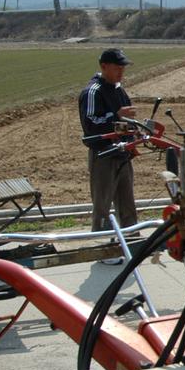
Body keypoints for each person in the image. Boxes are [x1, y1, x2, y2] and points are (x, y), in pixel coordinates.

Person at [79, 47, 138, 233]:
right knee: (102, 207)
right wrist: (116, 116)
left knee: (127, 203)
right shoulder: (92, 92)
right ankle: (100, 245)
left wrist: (134, 134)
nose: (121, 72)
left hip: (123, 153)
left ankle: (132, 240)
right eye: (117, 68)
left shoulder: (119, 90)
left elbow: (127, 121)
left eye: (123, 68)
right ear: (104, 66)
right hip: (103, 155)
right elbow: (91, 124)